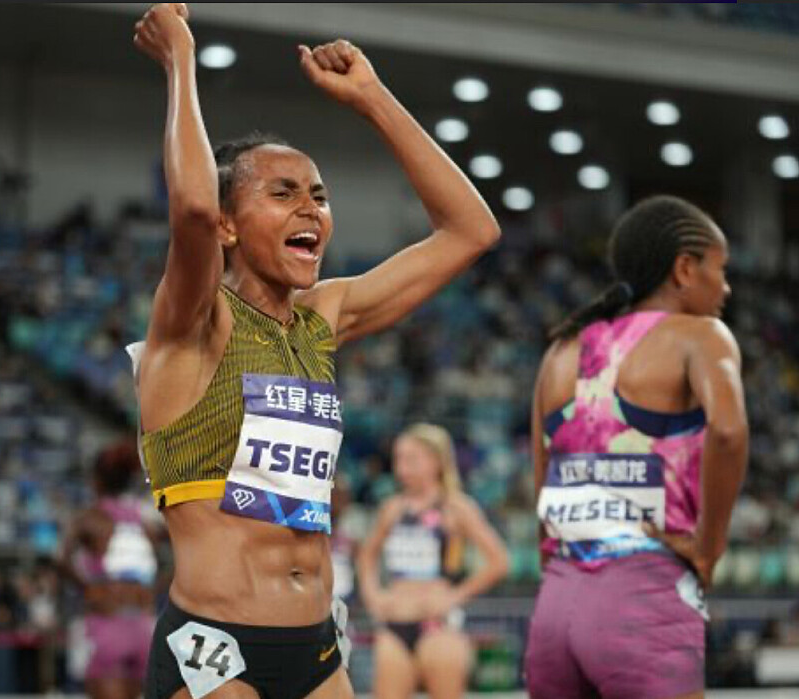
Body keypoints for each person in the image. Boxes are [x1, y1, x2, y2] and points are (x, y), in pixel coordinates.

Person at [131, 4, 500, 698]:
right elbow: (192, 210)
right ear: (230, 227)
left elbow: (470, 231)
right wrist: (180, 60)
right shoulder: (196, 321)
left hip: (318, 647)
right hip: (217, 647)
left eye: (320, 197)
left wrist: (373, 98)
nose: (311, 209)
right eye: (284, 193)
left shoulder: (320, 318)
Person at [524, 195, 749, 699]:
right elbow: (729, 431)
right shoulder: (701, 335)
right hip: (644, 597)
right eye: (721, 270)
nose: (726, 287)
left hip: (556, 602)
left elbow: (540, 478)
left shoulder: (562, 348)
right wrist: (708, 547)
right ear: (685, 269)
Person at [357, 424, 509, 699]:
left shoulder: (456, 507)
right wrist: (373, 596)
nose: (402, 468)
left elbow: (499, 561)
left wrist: (456, 596)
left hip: (438, 625)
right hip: (395, 624)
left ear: (436, 461)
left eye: (411, 459)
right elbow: (366, 556)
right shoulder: (392, 508)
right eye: (398, 459)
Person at [59, 440, 160, 699]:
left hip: (108, 622)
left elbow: (61, 559)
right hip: (145, 626)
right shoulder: (147, 520)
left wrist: (87, 587)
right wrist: (156, 588)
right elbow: (182, 555)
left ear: (97, 481)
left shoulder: (90, 518)